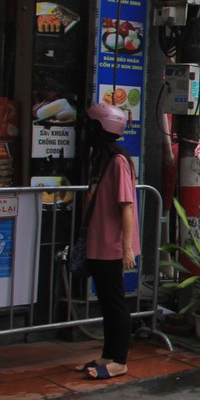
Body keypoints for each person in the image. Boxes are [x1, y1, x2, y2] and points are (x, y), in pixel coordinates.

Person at [75, 103, 140, 380]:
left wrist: (126, 248)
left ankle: (120, 360)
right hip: (98, 243)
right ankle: (107, 354)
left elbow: (126, 206)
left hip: (112, 245)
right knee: (106, 301)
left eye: (92, 126)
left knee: (115, 303)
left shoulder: (118, 162)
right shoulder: (100, 159)